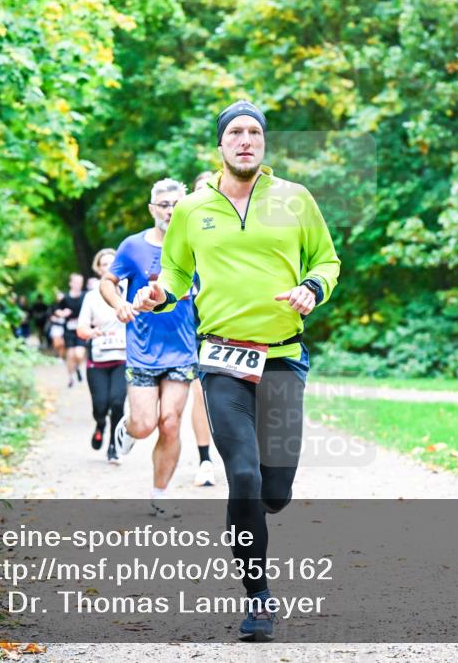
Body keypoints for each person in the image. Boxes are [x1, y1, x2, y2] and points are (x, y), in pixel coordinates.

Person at [133, 100, 340, 641]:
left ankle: (270, 509)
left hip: (282, 356)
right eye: (235, 132)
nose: (245, 140)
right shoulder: (193, 208)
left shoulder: (295, 200)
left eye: (254, 132)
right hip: (221, 360)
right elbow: (176, 270)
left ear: (263, 143)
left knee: (275, 491)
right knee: (243, 477)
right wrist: (161, 293)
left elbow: (327, 260)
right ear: (220, 145)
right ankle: (259, 597)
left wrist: (310, 288)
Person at [99, 178, 197, 519]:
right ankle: (127, 429)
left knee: (170, 422)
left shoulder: (196, 245)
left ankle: (160, 493)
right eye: (164, 205)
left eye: (176, 204)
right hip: (142, 348)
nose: (170, 210)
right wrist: (119, 304)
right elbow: (107, 282)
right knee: (145, 425)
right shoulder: (132, 246)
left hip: (182, 349)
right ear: (152, 208)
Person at [77, 249, 128, 464]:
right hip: (97, 359)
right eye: (104, 264)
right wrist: (91, 332)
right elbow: (81, 327)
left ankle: (114, 446)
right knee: (101, 405)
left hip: (123, 358)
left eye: (112, 263)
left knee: (117, 403)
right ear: (98, 269)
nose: (108, 267)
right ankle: (100, 424)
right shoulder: (90, 296)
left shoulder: (128, 291)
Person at [189, 170, 217, 488]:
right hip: (195, 333)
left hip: (237, 327)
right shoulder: (184, 234)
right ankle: (205, 459)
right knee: (201, 393)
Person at [57, 273, 87, 388]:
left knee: (79, 355)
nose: (78, 284)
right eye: (75, 282)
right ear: (70, 283)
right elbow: (56, 311)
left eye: (80, 282)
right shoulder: (64, 298)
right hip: (68, 329)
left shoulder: (85, 296)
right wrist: (62, 313)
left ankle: (78, 367)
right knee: (70, 355)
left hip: (81, 328)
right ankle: (71, 377)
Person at [46, 291, 67, 359]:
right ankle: (57, 354)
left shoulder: (66, 304)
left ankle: (61, 357)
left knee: (62, 343)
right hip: (55, 326)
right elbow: (49, 314)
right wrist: (52, 318)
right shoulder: (53, 305)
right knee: (56, 343)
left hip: (64, 326)